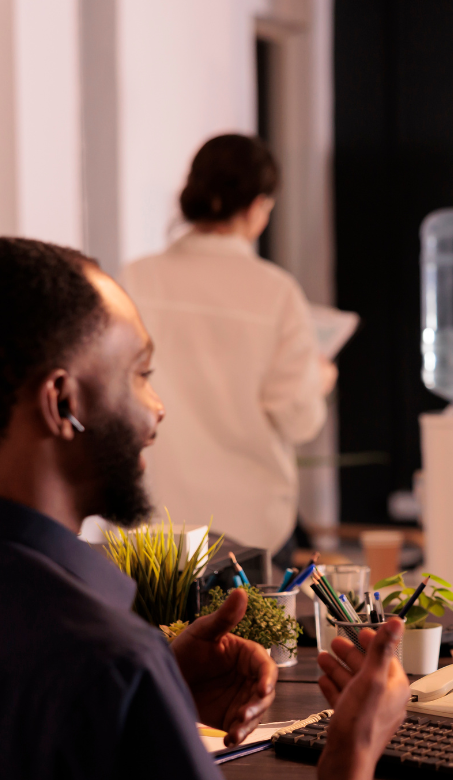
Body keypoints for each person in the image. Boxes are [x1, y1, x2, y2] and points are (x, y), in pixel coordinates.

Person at [0, 238, 408, 780]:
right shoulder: (107, 660)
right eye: (140, 374)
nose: (158, 406)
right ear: (61, 402)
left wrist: (160, 699)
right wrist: (351, 757)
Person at [123, 134, 336, 557]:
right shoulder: (274, 292)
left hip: (153, 523)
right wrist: (320, 379)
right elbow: (296, 418)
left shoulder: (134, 280)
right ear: (258, 206)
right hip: (251, 528)